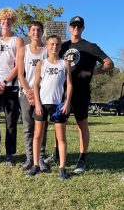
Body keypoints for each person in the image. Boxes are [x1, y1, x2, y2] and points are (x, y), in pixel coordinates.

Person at [46, 16, 114, 175]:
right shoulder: (62, 46)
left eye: (79, 26)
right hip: (62, 92)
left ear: (82, 28)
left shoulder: (90, 46)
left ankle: (82, 158)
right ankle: (56, 155)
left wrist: (91, 72)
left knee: (81, 124)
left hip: (81, 92)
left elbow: (108, 63)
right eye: (73, 25)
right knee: (59, 124)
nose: (76, 28)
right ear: (69, 28)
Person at [27, 35, 72, 180]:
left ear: (60, 47)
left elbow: (69, 85)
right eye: (51, 44)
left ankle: (62, 168)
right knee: (37, 135)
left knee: (61, 137)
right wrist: (38, 103)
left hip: (58, 104)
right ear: (47, 46)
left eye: (57, 44)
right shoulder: (42, 63)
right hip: (43, 103)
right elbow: (35, 85)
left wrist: (67, 102)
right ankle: (36, 165)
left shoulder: (65, 63)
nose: (54, 47)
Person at [0, 8, 24, 166]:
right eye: (3, 20)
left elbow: (18, 66)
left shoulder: (18, 40)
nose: (6, 22)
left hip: (10, 86)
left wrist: (5, 82)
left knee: (11, 121)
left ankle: (9, 154)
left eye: (9, 20)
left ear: (12, 22)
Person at [17, 21, 49, 172]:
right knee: (28, 127)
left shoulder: (47, 50)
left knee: (41, 127)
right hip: (26, 93)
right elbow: (20, 74)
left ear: (42, 32)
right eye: (33, 30)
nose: (36, 32)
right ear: (29, 33)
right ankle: (30, 158)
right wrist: (28, 92)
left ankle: (41, 158)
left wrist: (39, 93)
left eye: (38, 30)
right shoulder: (23, 49)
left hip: (43, 94)